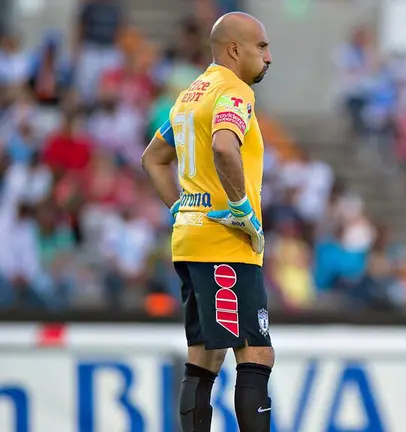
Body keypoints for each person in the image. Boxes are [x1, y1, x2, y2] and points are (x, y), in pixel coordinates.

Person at [141, 12, 273, 432]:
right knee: (256, 352)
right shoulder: (235, 91)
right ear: (235, 49)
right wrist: (240, 209)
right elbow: (223, 147)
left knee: (205, 354)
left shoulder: (190, 95)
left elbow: (153, 158)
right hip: (226, 243)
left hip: (191, 240)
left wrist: (182, 209)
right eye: (262, 47)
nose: (269, 58)